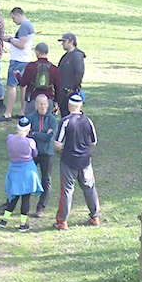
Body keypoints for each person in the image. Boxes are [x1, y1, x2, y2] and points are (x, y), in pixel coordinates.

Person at [53, 94, 100, 230]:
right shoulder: (88, 121)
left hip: (68, 160)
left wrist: (61, 150)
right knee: (89, 188)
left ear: (69, 106)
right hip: (85, 161)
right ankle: (95, 216)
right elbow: (94, 142)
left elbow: (57, 144)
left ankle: (62, 221)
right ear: (81, 106)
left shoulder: (65, 121)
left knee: (67, 190)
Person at [0, 117, 44, 232]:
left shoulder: (10, 138)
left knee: (13, 196)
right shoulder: (30, 142)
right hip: (27, 171)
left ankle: (4, 220)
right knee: (26, 198)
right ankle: (23, 224)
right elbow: (35, 154)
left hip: (14, 170)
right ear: (28, 129)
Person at [0, 7, 34, 120]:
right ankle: (22, 111)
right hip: (25, 59)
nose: (13, 21)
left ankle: (7, 113)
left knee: (11, 86)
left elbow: (21, 45)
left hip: (18, 60)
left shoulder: (24, 26)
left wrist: (10, 40)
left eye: (13, 18)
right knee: (23, 85)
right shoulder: (29, 25)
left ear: (18, 15)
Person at [26, 95, 57, 217]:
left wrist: (35, 134)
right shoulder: (30, 118)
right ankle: (24, 206)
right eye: (40, 104)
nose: (43, 106)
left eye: (45, 104)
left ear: (48, 105)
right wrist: (41, 134)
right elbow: (26, 134)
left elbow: (49, 137)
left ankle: (41, 208)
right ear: (36, 105)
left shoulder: (52, 119)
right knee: (28, 178)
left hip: (47, 153)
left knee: (46, 180)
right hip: (33, 152)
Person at [19, 42, 60, 109]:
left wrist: (17, 74)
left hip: (33, 98)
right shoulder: (54, 69)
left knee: (30, 115)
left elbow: (23, 83)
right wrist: (56, 101)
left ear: (38, 52)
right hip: (48, 100)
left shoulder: (30, 66)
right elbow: (58, 87)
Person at [57, 33, 86, 101]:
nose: (62, 43)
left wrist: (73, 89)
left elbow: (79, 72)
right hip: (64, 92)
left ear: (71, 41)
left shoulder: (77, 55)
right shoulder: (66, 56)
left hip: (71, 93)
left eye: (64, 41)